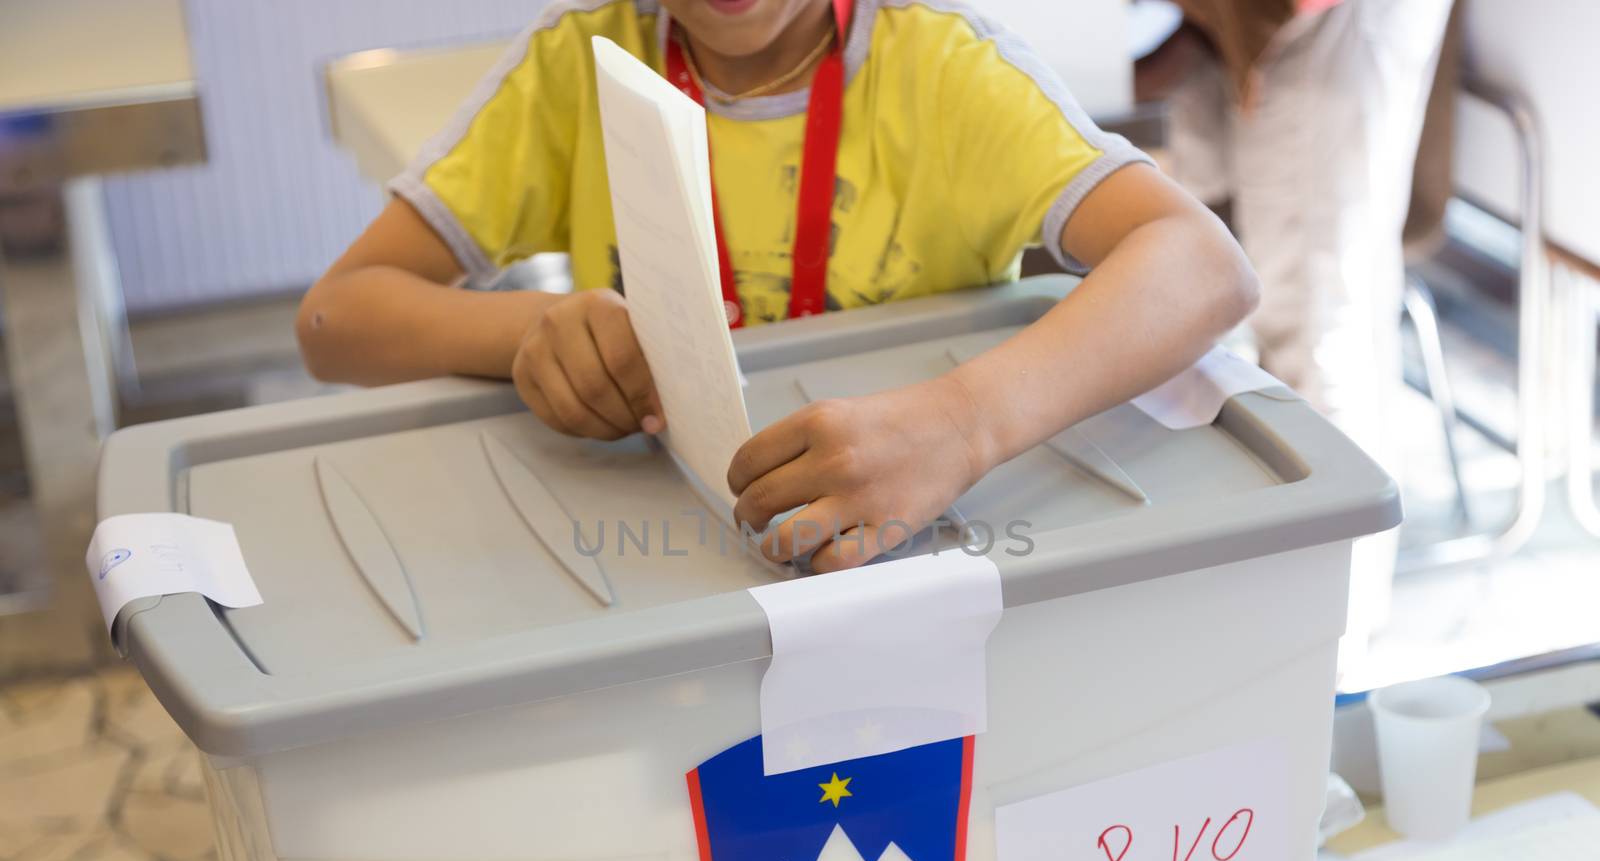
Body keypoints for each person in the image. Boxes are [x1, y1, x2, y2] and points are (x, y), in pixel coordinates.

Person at [298, 0, 1258, 572]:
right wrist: (532, 330)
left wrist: (966, 421)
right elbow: (337, 318)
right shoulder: (580, 60)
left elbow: (1202, 264)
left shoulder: (941, 67)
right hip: (671, 564)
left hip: (921, 563)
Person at [1137, 0, 1456, 664]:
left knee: (1314, 327)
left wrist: (1271, 18)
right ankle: (1309, 631)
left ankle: (1331, 647)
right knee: (1292, 317)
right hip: (1246, 24)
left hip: (1307, 21)